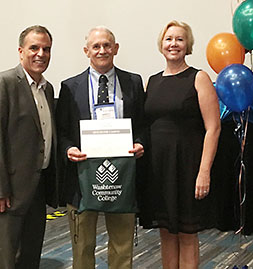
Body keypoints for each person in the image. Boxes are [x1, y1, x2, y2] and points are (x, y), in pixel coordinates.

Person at [56, 26, 146, 269]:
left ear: (116, 49)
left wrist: (140, 143)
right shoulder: (69, 87)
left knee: (121, 245)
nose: (102, 50)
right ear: (87, 51)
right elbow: (61, 132)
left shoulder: (134, 82)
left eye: (107, 45)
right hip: (82, 178)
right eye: (96, 46)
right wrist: (68, 150)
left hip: (121, 178)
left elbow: (143, 125)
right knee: (82, 246)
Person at [139, 20, 221, 269]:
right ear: (161, 44)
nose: (173, 44)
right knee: (165, 232)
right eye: (169, 39)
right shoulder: (151, 81)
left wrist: (204, 171)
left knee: (187, 235)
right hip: (157, 169)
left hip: (187, 168)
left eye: (179, 39)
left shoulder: (199, 78)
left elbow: (213, 128)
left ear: (188, 46)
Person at [0, 25, 57, 269]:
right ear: (21, 51)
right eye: (34, 48)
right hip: (6, 193)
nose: (40, 54)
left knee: (30, 257)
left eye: (46, 49)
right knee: (5, 259)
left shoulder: (47, 88)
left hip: (36, 189)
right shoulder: (4, 83)